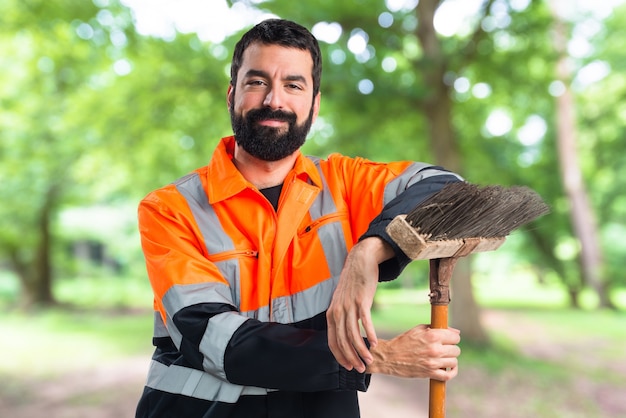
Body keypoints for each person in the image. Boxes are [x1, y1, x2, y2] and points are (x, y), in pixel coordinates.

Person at [135, 18, 462, 418]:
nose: (274, 100)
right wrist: (377, 358)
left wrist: (369, 251)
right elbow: (216, 340)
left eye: (293, 85)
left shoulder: (345, 184)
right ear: (231, 94)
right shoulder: (170, 209)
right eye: (257, 82)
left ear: (315, 103)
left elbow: (448, 189)